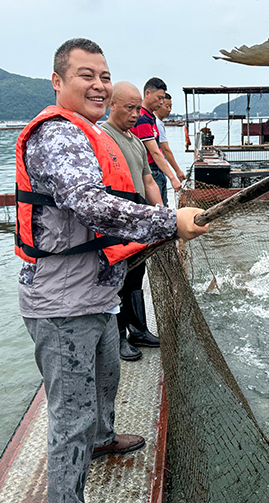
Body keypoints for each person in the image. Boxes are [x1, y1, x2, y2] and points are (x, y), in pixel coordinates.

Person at [14, 38, 208, 503]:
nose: (98, 85)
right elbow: (89, 204)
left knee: (107, 379)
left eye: (104, 76)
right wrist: (168, 222)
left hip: (97, 295)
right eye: (86, 75)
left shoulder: (90, 131)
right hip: (62, 305)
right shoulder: (58, 134)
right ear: (58, 81)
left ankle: (102, 441)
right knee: (71, 416)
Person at [101, 81, 163, 362]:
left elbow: (148, 179)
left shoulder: (136, 142)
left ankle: (139, 330)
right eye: (130, 107)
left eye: (138, 108)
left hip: (138, 220)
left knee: (137, 275)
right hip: (115, 223)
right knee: (118, 280)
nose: (136, 113)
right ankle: (118, 339)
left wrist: (162, 214)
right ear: (111, 104)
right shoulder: (101, 137)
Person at [130, 77, 179, 206]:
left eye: (163, 99)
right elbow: (155, 152)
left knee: (164, 208)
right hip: (150, 172)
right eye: (159, 98)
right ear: (147, 94)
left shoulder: (150, 117)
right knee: (158, 212)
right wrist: (173, 177)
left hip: (157, 171)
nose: (161, 102)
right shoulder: (142, 119)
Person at [154, 94, 186, 192]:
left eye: (170, 107)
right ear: (158, 105)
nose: (169, 110)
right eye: (167, 106)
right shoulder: (157, 124)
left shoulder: (157, 122)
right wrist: (177, 171)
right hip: (156, 170)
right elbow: (166, 150)